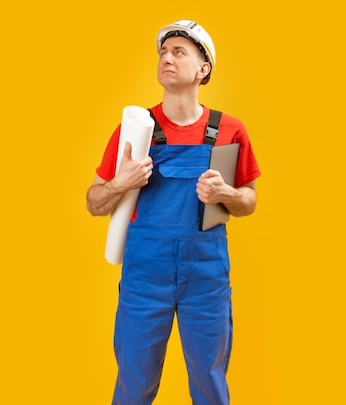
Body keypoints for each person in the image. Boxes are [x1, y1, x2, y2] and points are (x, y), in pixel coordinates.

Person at [86, 20, 262, 405]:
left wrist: (226, 192)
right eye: (163, 53)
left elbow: (248, 201)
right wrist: (122, 183)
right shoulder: (136, 131)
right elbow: (94, 202)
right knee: (133, 385)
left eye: (179, 51)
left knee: (210, 386)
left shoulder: (228, 131)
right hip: (145, 278)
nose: (166, 58)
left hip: (206, 278)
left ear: (204, 69)